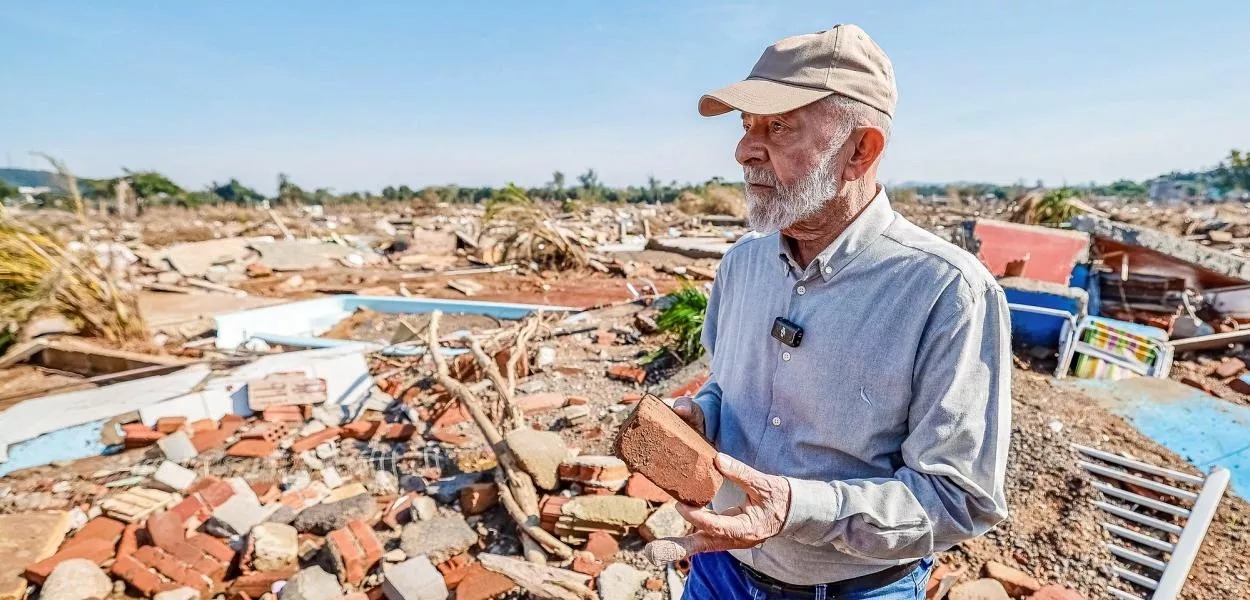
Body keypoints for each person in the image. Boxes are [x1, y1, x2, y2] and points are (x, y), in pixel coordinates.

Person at [643, 24, 1012, 599]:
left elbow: (958, 498)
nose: (744, 150)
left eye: (779, 126)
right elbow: (727, 385)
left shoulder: (946, 291)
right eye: (746, 127)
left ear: (860, 150)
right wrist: (704, 417)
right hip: (721, 572)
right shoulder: (743, 264)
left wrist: (797, 509)